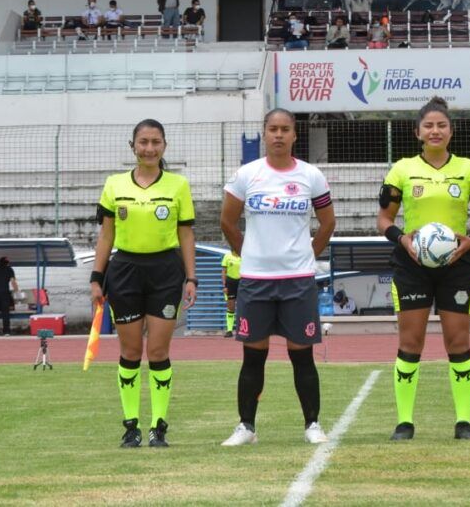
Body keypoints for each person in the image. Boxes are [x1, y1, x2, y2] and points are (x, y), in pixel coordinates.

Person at [377, 96, 470, 441]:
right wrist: (402, 239)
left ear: (451, 131)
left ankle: (463, 422)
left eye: (441, 125)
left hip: (458, 265)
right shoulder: (401, 169)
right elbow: (384, 218)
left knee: (457, 341)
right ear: (417, 132)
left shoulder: (468, 169)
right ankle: (404, 422)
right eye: (428, 126)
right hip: (412, 264)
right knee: (410, 342)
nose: (435, 131)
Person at [220, 108, 336, 447]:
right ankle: (246, 427)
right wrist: (247, 252)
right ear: (265, 133)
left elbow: (327, 223)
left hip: (298, 280)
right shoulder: (246, 174)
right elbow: (228, 222)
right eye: (273, 129)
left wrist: (308, 254)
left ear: (295, 135)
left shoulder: (311, 176)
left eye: (285, 129)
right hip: (255, 280)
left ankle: (312, 425)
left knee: (302, 355)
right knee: (253, 356)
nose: (279, 135)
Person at [90, 119, 197, 448]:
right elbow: (107, 234)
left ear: (164, 146)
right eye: (143, 142)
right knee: (131, 351)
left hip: (165, 271)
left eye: (155, 142)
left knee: (158, 350)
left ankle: (158, 427)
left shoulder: (178, 186)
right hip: (124, 272)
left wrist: (191, 277)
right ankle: (131, 426)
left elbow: (185, 234)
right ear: (132, 146)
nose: (149, 148)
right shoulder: (113, 185)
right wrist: (97, 277)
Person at [0, 257, 20, 336]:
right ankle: (6, 331)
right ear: (7, 263)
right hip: (4, 292)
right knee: (5, 312)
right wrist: (17, 291)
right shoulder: (9, 269)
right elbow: (13, 281)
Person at [221, 251, 241, 337]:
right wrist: (225, 286)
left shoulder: (244, 255)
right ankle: (229, 330)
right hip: (230, 283)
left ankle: (243, 330)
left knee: (243, 307)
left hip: (242, 282)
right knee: (231, 306)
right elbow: (224, 272)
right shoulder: (227, 256)